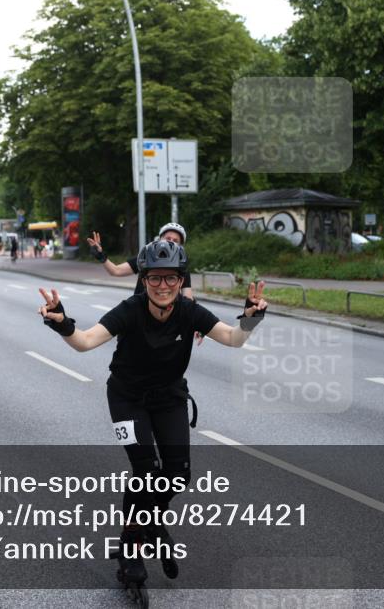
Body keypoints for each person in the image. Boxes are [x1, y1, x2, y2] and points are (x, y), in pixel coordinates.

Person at [37, 239, 267, 596]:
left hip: (170, 397)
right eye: (155, 278)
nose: (163, 286)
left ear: (180, 280)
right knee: (146, 471)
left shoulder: (190, 311)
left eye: (171, 279)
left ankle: (148, 520)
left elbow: (234, 338)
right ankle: (131, 543)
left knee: (177, 474)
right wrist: (62, 322)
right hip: (127, 398)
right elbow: (84, 341)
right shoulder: (130, 310)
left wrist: (250, 319)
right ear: (144, 280)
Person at [87, 222, 195, 299]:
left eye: (175, 241)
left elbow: (188, 298)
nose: (170, 242)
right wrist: (101, 256)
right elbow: (116, 271)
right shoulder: (145, 258)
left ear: (180, 246)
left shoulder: (180, 267)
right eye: (167, 238)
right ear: (159, 239)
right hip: (140, 315)